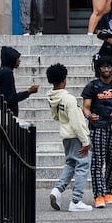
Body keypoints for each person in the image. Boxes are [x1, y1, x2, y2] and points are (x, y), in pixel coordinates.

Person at [82, 56, 112, 210]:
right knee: (97, 161)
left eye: (109, 67)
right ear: (99, 69)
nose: (106, 69)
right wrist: (89, 115)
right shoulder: (93, 86)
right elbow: (86, 106)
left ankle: (108, 191)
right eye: (103, 67)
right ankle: (98, 194)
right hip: (98, 126)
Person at [45, 62, 93, 213]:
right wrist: (85, 141)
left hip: (66, 136)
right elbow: (77, 123)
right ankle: (76, 200)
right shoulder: (69, 99)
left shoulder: (52, 96)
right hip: (76, 136)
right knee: (83, 165)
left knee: (71, 164)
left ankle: (57, 190)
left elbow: (55, 116)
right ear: (64, 79)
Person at [0, 45, 37, 117]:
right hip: (6, 115)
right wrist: (28, 92)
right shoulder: (7, 73)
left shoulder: (2, 71)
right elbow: (11, 99)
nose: (19, 60)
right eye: (17, 58)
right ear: (11, 59)